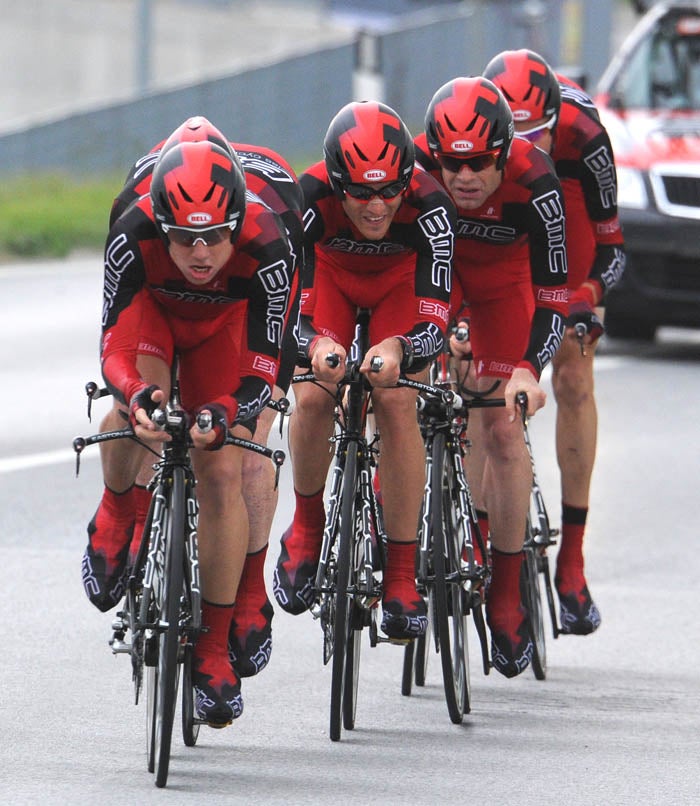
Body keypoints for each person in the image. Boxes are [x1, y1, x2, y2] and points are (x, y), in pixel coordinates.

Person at [81, 137, 295, 727]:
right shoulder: (132, 229)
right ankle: (119, 511)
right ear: (160, 224)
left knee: (225, 464)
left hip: (229, 325)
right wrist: (136, 394)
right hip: (154, 311)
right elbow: (115, 344)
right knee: (137, 419)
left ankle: (211, 646)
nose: (200, 253)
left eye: (214, 238)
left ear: (237, 223)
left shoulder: (271, 243)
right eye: (183, 239)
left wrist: (226, 411)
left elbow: (265, 367)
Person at [272, 100, 456, 641]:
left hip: (401, 285)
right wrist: (315, 344)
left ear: (407, 180)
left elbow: (436, 319)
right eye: (360, 193)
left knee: (398, 400)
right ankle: (307, 525)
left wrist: (399, 346)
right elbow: (282, 313)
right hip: (329, 275)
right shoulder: (305, 198)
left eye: (388, 191)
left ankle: (401, 573)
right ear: (335, 182)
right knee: (312, 393)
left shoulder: (431, 203)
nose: (377, 207)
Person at [415, 76, 569, 677]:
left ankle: (506, 594)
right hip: (440, 280)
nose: (464, 177)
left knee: (501, 426)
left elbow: (553, 298)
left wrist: (529, 370)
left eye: (480, 162)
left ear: (504, 151)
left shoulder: (538, 185)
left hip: (507, 289)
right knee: (396, 387)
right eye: (451, 164)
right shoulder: (416, 171)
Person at [483, 49, 626, 635]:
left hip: (569, 230)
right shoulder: (472, 128)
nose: (530, 146)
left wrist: (585, 296)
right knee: (475, 376)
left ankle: (571, 557)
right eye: (518, 136)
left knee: (571, 372)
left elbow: (615, 252)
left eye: (539, 134)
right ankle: (471, 529)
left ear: (556, 119)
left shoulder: (586, 136)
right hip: (498, 225)